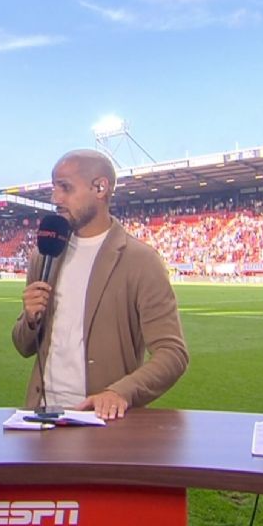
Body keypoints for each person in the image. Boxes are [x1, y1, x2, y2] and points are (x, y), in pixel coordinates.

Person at [12, 149, 189, 419]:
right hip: (43, 416)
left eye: (65, 187)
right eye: (54, 188)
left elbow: (173, 354)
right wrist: (30, 319)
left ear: (100, 188)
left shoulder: (141, 261)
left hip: (103, 421)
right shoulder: (45, 254)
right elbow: (23, 346)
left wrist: (121, 392)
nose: (55, 198)